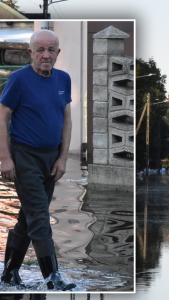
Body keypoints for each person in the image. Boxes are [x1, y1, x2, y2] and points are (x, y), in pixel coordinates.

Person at [0, 29, 75, 291]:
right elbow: (2, 116)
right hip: (24, 156)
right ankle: (52, 277)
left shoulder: (64, 80)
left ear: (58, 53)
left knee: (28, 216)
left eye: (51, 50)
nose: (46, 55)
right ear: (30, 52)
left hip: (51, 158)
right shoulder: (19, 80)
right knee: (40, 216)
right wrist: (5, 158)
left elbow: (66, 120)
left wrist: (63, 158)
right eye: (40, 50)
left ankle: (9, 273)